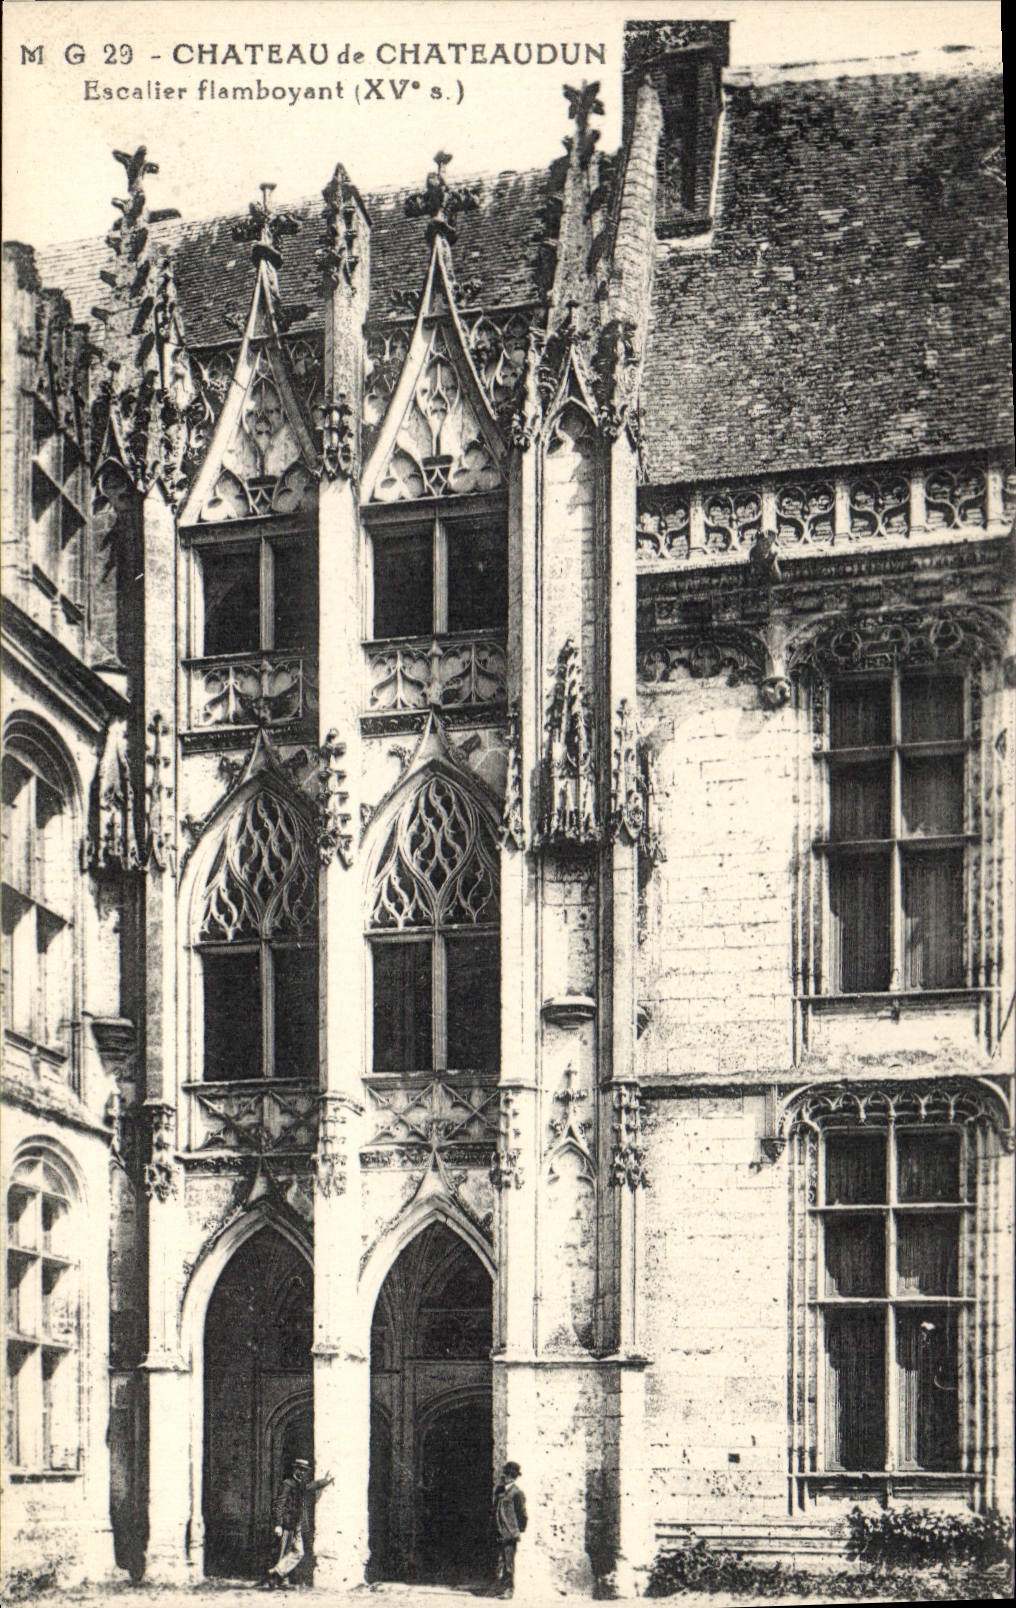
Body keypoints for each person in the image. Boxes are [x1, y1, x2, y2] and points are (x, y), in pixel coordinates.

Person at [263, 1457, 333, 1590]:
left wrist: (326, 1480)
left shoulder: (300, 1484)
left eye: (304, 1470)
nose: (302, 1472)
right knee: (284, 1553)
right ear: (294, 1469)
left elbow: (311, 1486)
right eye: (300, 1469)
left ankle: (276, 1572)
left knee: (298, 1552)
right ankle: (280, 1581)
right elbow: (279, 1505)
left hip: (297, 1524)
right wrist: (278, 1524)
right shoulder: (287, 1484)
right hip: (287, 1524)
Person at [491, 1461, 527, 1599]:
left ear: (512, 1477)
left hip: (509, 1533)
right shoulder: (500, 1491)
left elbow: (522, 1515)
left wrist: (515, 1530)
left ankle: (509, 1590)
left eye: (506, 1475)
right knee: (500, 1561)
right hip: (499, 1531)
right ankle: (500, 1587)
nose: (504, 1477)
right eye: (504, 1474)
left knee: (508, 1563)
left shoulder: (517, 1493)